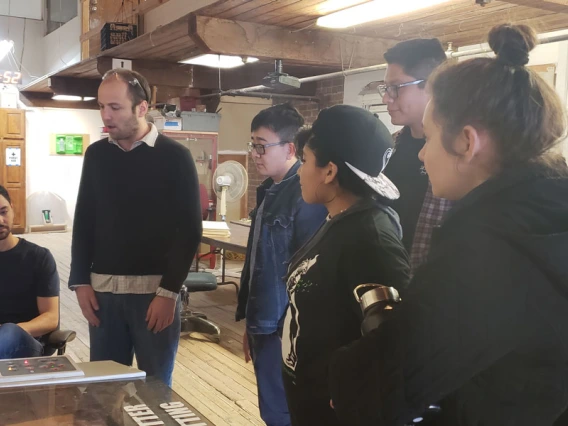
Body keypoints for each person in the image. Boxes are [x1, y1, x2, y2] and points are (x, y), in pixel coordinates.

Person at [328, 24, 568, 426]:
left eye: (431, 137)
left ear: (468, 142)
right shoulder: (546, 213)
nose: (421, 154)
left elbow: (381, 383)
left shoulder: (486, 245)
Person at [69, 69, 202, 386]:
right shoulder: (97, 155)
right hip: (104, 295)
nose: (106, 115)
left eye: (115, 107)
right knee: (104, 390)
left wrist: (169, 292)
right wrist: (79, 280)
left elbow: (189, 230)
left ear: (141, 108)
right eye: (101, 106)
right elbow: (85, 218)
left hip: (154, 296)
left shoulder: (175, 157)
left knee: (155, 390)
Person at [281, 105, 411, 426]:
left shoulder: (370, 237)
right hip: (309, 400)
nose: (299, 170)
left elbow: (393, 336)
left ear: (329, 171)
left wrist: (352, 391)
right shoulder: (339, 218)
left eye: (305, 161)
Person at [236, 103, 327, 426]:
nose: (255, 153)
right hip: (266, 322)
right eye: (253, 145)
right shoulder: (269, 191)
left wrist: (285, 330)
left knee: (282, 412)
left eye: (262, 146)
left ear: (290, 148)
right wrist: (251, 321)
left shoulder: (304, 196)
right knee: (271, 407)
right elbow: (260, 264)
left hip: (286, 327)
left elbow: (308, 273)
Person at [380, 38, 452, 273]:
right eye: (386, 88)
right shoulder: (389, 146)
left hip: (428, 289)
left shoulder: (456, 158)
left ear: (432, 85)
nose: (386, 98)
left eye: (396, 88)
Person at [0, 185, 59, 359]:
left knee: (9, 333)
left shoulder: (38, 257)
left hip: (27, 341)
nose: (0, 219)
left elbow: (50, 317)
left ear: (12, 209)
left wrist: (7, 331)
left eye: (3, 211)